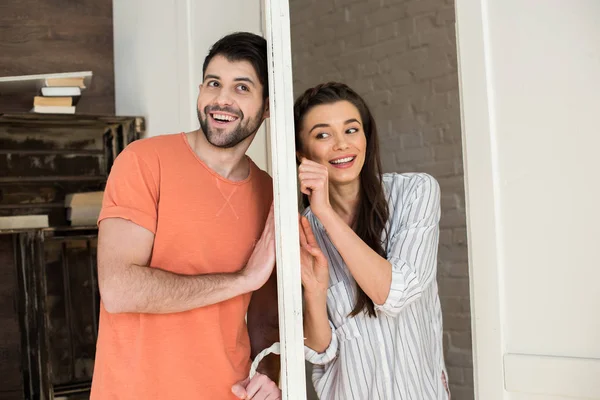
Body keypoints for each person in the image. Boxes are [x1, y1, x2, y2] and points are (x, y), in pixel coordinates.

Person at [90, 32, 281, 400]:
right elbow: (118, 289)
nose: (221, 99)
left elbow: (266, 318)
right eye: (213, 83)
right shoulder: (144, 162)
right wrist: (242, 279)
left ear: (268, 105)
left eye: (241, 87)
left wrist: (270, 376)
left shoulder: (269, 193)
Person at [294, 82, 450, 399]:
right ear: (303, 154)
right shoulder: (300, 232)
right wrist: (315, 292)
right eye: (323, 135)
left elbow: (394, 293)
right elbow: (321, 352)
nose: (341, 144)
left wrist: (324, 211)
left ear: (366, 137)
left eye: (351, 130)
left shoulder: (415, 194)